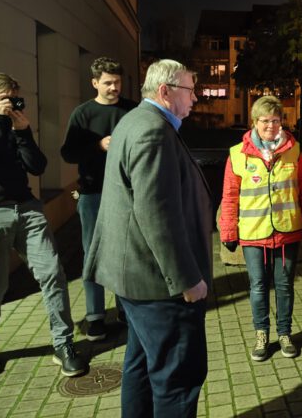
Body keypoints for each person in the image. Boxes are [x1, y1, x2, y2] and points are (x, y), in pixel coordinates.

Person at [84, 59, 213, 417]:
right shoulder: (153, 131)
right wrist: (187, 278)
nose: (196, 98)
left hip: (136, 280)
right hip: (158, 286)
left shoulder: (135, 120)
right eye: (190, 90)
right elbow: (158, 215)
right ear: (165, 91)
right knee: (177, 379)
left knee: (140, 368)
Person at [0, 73, 88, 377]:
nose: (9, 103)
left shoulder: (12, 124)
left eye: (11, 96)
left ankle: (63, 344)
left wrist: (23, 133)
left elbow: (37, 166)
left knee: (53, 273)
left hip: (27, 210)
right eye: (2, 98)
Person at [218, 96, 302, 361]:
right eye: (264, 121)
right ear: (254, 122)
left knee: (284, 286)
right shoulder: (237, 154)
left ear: (282, 121)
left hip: (287, 231)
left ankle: (285, 334)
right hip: (253, 232)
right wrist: (228, 231)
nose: (270, 125)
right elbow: (230, 196)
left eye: (275, 120)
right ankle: (261, 334)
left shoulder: (294, 149)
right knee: (258, 286)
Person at [60, 57, 136, 341]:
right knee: (93, 254)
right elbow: (67, 153)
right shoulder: (82, 114)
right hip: (93, 193)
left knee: (124, 254)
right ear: (94, 83)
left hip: (126, 192)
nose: (114, 87)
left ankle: (126, 312)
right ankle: (95, 317)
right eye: (108, 83)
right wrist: (98, 145)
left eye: (117, 82)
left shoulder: (131, 109)